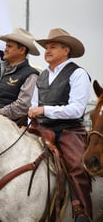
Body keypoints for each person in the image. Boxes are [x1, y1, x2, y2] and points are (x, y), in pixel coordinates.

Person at [28, 28, 92, 222]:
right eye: (46, 47)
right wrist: (34, 110)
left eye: (53, 47)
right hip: (42, 128)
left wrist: (44, 110)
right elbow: (33, 103)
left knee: (77, 166)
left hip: (69, 129)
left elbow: (76, 109)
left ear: (66, 50)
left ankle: (81, 211)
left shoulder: (78, 74)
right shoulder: (42, 75)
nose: (47, 50)